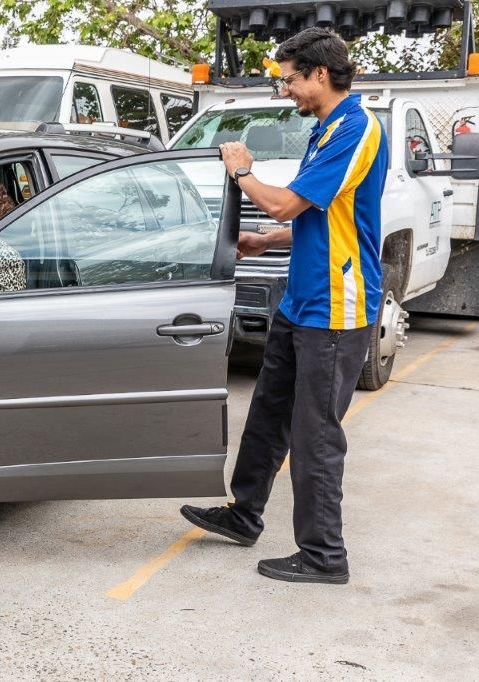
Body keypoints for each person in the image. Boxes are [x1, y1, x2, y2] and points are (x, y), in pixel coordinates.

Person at [180, 27, 389, 584]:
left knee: (315, 434)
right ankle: (244, 514)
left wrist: (243, 169)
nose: (286, 91)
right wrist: (265, 243)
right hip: (302, 302)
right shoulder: (325, 129)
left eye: (290, 80)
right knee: (269, 415)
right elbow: (320, 218)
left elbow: (284, 204)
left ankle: (324, 556)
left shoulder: (355, 128)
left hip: (337, 311)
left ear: (321, 74)